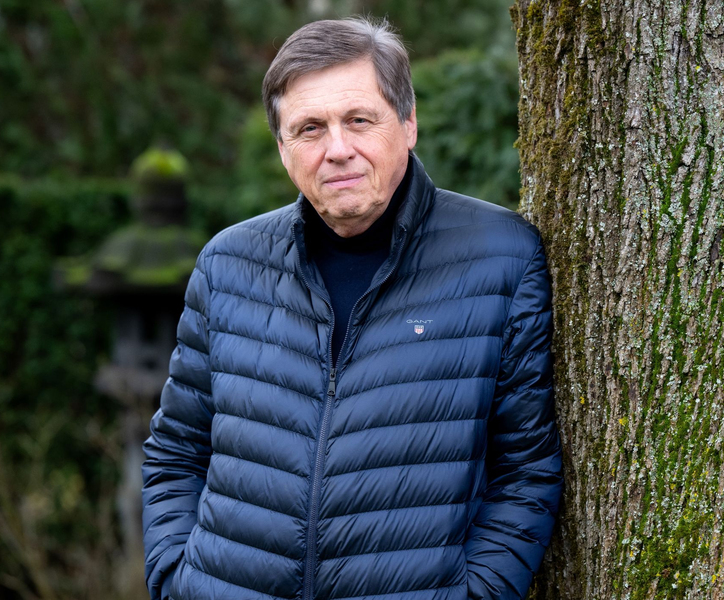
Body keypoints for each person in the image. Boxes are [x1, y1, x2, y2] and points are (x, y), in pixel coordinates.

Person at [142, 16, 562, 600]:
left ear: (408, 124)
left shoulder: (501, 258)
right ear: (284, 149)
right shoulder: (227, 265)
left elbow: (527, 471)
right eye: (309, 128)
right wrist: (176, 580)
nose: (337, 149)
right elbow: (176, 451)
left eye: (359, 120)